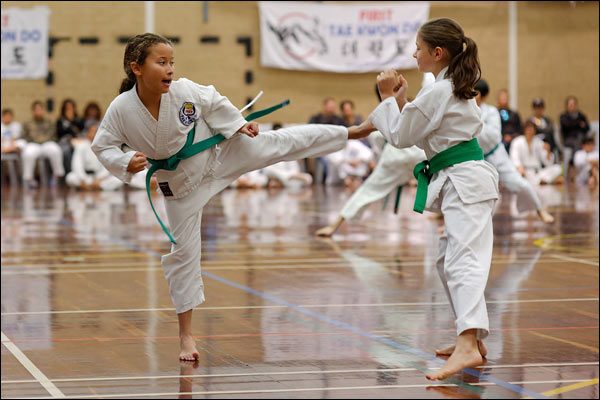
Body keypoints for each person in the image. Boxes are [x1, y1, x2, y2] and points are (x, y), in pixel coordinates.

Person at [91, 33, 370, 361]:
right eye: (161, 62)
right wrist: (126, 161)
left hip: (218, 154)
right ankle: (185, 336)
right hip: (181, 184)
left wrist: (237, 125)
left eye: (171, 62)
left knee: (277, 143)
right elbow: (103, 145)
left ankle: (351, 132)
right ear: (137, 68)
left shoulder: (184, 91)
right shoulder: (122, 109)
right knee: (183, 255)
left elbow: (211, 101)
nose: (169, 69)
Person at [349, 18, 499, 380]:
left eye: (418, 48)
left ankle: (467, 345)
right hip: (462, 180)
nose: (413, 54)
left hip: (467, 180)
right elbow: (416, 125)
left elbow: (400, 136)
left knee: (463, 261)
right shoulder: (446, 86)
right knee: (448, 261)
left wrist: (387, 97)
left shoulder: (442, 90)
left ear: (437, 52)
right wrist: (399, 101)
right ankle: (473, 339)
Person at [315, 86, 426, 237]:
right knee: (445, 182)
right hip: (417, 156)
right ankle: (445, 219)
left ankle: (334, 226)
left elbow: (376, 137)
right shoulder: (413, 112)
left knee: (367, 190)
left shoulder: (393, 112)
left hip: (396, 157)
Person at [475, 80, 554, 223]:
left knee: (519, 182)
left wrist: (474, 121)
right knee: (477, 194)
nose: (473, 95)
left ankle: (539, 209)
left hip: (496, 154)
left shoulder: (491, 112)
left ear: (483, 95)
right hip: (478, 159)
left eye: (476, 92)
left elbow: (492, 136)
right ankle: (450, 222)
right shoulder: (465, 110)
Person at [22, 101, 64, 188]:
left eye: (40, 109)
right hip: (33, 144)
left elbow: (53, 134)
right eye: (36, 109)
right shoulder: (27, 123)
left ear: (43, 110)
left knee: (55, 150)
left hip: (47, 143)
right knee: (28, 153)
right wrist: (34, 140)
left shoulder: (49, 122)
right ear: (33, 110)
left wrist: (43, 139)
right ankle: (29, 180)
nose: (38, 111)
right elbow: (24, 136)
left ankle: (55, 177)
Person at [509, 120, 564, 185]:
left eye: (531, 129)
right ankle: (546, 181)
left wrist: (548, 152)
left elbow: (547, 163)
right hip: (524, 172)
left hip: (537, 172)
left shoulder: (539, 142)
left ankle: (542, 181)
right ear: (524, 130)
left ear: (535, 131)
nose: (529, 131)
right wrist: (519, 167)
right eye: (528, 129)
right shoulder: (517, 141)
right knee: (515, 174)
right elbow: (514, 158)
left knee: (557, 168)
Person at [559, 95, 590, 178]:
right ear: (567, 106)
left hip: (580, 139)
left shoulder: (581, 115)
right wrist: (579, 124)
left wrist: (576, 124)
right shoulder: (563, 116)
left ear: (576, 105)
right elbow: (567, 126)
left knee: (580, 138)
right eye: (570, 105)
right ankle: (573, 162)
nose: (572, 107)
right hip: (568, 140)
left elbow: (587, 127)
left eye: (573, 104)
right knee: (577, 140)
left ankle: (582, 170)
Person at [56, 98, 85, 175]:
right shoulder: (60, 120)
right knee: (66, 151)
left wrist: (71, 121)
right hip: (65, 141)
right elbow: (59, 133)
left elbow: (81, 130)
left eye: (71, 107)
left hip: (77, 140)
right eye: (67, 108)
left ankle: (81, 172)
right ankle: (69, 172)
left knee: (81, 150)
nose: (69, 109)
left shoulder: (79, 119)